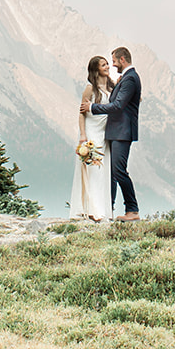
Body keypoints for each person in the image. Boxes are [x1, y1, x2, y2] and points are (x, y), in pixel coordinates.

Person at [81, 46, 140, 221]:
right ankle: (109, 208)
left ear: (122, 59)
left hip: (122, 131)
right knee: (113, 173)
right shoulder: (125, 79)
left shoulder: (130, 79)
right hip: (115, 132)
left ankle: (132, 209)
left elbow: (117, 106)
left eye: (113, 61)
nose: (113, 66)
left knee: (119, 170)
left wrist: (92, 107)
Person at [69, 56, 113, 221]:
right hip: (92, 132)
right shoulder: (90, 89)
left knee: (103, 171)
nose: (107, 66)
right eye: (103, 65)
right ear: (96, 70)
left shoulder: (111, 86)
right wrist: (83, 135)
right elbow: (82, 113)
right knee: (93, 170)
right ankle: (92, 210)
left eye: (107, 63)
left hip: (105, 132)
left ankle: (102, 209)